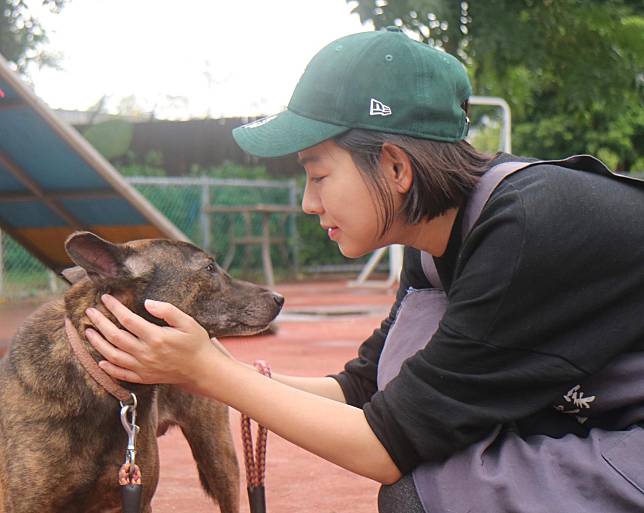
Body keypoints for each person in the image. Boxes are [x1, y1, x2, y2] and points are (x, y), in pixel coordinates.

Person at [84, 27, 644, 512]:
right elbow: (366, 388)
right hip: (600, 423)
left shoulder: (525, 225)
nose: (308, 202)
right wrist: (197, 369)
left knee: (429, 488)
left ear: (396, 167)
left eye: (318, 174)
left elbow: (384, 446)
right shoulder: (434, 237)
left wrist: (210, 373)